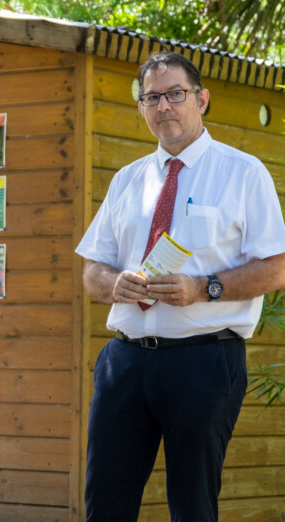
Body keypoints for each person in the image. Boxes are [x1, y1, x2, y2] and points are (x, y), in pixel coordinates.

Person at [75, 51, 285, 521]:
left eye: (175, 94)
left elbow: (276, 268)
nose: (164, 106)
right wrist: (115, 283)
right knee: (104, 504)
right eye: (152, 97)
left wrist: (204, 288)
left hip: (204, 360)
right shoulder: (127, 180)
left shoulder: (243, 172)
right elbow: (92, 271)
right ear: (142, 109)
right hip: (125, 360)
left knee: (191, 506)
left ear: (201, 100)